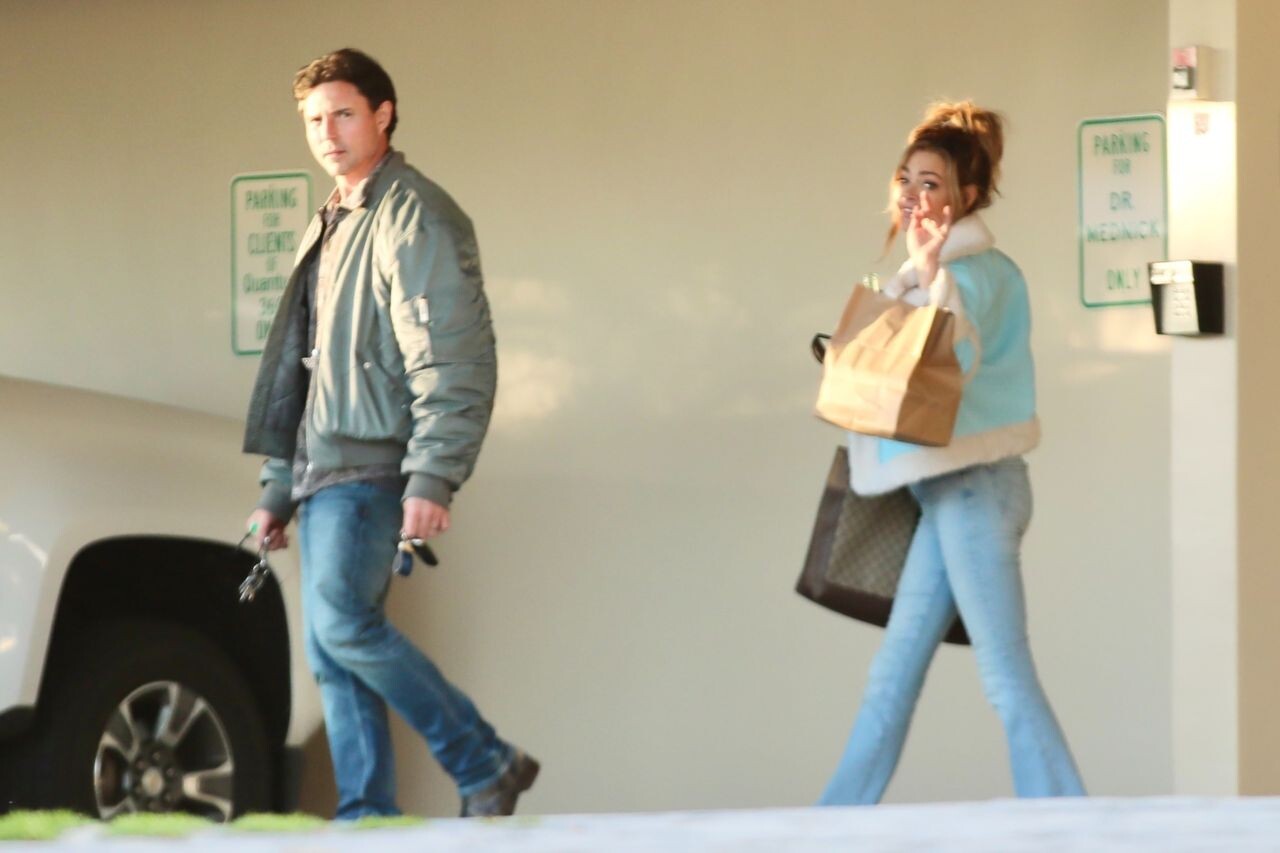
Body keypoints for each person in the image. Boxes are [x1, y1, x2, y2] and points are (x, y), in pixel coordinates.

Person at [242, 48, 537, 819]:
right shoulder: (333, 220)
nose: (327, 132)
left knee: (343, 625)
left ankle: (484, 760)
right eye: (314, 119)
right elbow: (300, 370)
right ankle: (367, 814)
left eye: (343, 113)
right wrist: (278, 486)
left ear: (384, 113)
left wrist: (433, 474)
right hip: (322, 468)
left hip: (372, 463)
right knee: (331, 649)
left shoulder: (416, 215)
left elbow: (453, 355)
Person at [819, 102, 1085, 804]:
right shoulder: (937, 273)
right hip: (950, 492)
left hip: (974, 488)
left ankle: (1069, 822)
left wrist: (932, 275)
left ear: (966, 195)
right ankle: (831, 825)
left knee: (1003, 673)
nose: (912, 194)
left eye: (930, 182)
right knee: (893, 674)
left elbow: (952, 362)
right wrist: (920, 274)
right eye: (906, 179)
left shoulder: (970, 276)